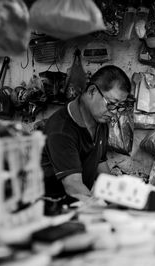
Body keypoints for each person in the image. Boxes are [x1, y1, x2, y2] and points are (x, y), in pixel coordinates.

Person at [41, 65, 132, 209]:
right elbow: (73, 185)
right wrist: (105, 210)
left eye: (120, 106)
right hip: (55, 209)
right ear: (92, 91)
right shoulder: (62, 130)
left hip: (80, 204)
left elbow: (99, 164)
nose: (114, 112)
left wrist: (121, 197)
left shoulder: (100, 120)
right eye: (112, 104)